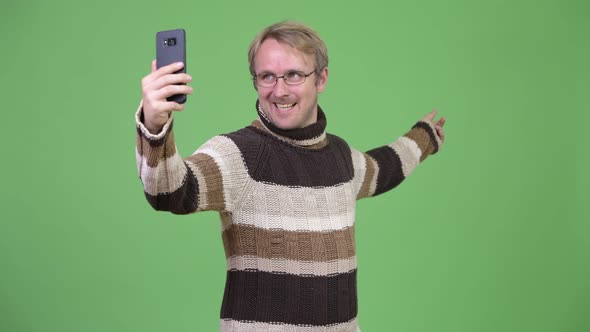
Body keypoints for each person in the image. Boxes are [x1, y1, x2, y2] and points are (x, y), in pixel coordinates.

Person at [136, 21, 445, 332]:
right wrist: (153, 124)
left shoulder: (341, 157)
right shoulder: (239, 154)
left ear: (321, 78)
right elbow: (168, 191)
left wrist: (424, 138)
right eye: (266, 76)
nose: (279, 90)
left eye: (294, 75)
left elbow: (383, 168)